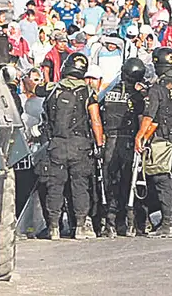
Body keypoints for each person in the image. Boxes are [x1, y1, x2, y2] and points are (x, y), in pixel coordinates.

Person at [29, 52, 105, 240]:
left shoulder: (52, 88)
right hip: (80, 145)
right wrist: (100, 144)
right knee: (80, 186)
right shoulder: (88, 92)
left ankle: (53, 227)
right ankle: (80, 226)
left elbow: (33, 88)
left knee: (55, 186)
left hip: (56, 144)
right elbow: (95, 120)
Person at [136, 47, 172, 237]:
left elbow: (149, 117)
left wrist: (140, 137)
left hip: (163, 141)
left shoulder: (157, 88)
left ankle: (167, 223)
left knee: (163, 181)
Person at [99, 58, 147, 237]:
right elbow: (143, 118)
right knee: (130, 183)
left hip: (110, 140)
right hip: (129, 141)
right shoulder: (138, 96)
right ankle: (130, 222)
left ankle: (110, 222)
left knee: (110, 182)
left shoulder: (109, 92)